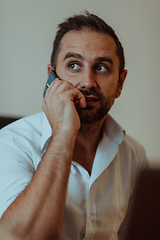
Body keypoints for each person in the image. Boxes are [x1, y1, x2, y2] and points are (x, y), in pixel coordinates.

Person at [0, 11, 149, 240]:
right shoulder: (10, 143)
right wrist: (63, 134)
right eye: (73, 65)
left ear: (120, 83)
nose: (87, 81)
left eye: (101, 67)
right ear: (52, 78)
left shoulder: (134, 155)